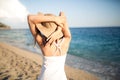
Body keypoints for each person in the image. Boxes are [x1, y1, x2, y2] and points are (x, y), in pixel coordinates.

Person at [27, 12, 71, 80]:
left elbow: (30, 18)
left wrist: (54, 19)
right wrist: (58, 30)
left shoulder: (45, 44)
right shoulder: (66, 40)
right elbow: (62, 14)